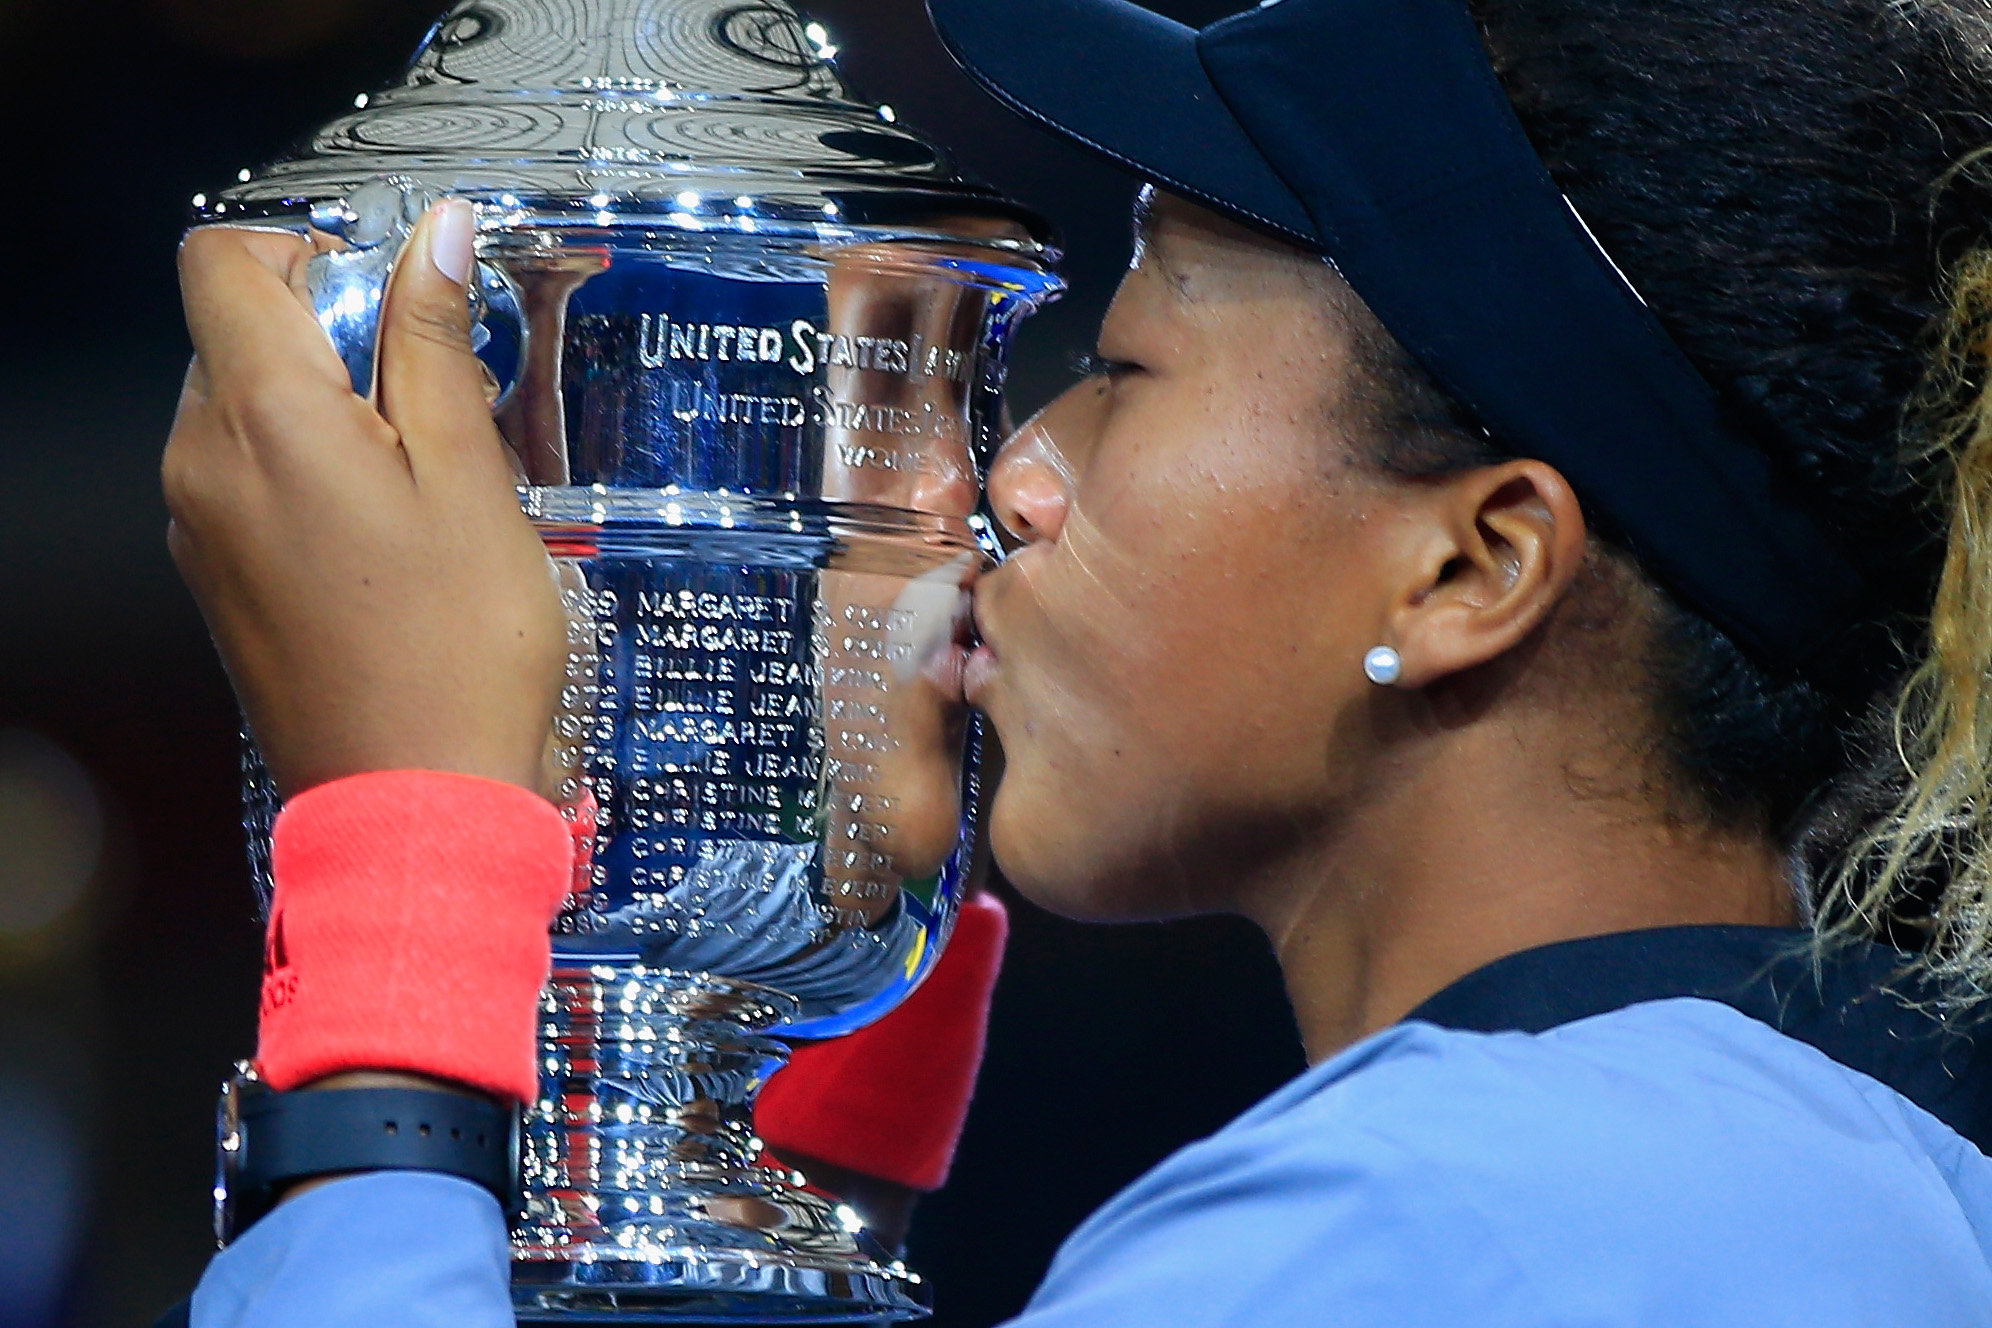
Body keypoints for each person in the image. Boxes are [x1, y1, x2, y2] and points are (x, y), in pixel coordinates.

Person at [161, 0, 1992, 1321]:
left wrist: (402, 885)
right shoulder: (1797, 1169)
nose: (1010, 480)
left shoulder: (1434, 1219)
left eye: (1122, 374)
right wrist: (781, 1206)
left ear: (1474, 563)